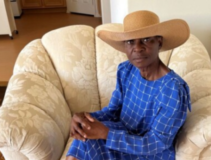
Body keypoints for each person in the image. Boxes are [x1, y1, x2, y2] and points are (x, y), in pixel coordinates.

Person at [66, 10, 191, 160]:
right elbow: (113, 111)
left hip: (149, 153)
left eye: (146, 39)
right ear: (125, 46)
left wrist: (106, 134)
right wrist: (85, 119)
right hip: (122, 136)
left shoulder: (173, 90)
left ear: (159, 41)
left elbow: (156, 143)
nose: (137, 48)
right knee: (83, 140)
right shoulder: (126, 70)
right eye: (130, 41)